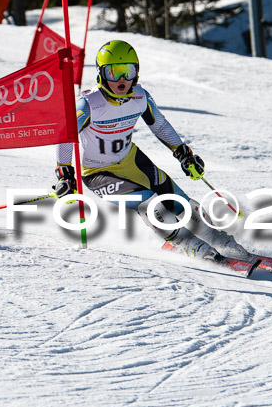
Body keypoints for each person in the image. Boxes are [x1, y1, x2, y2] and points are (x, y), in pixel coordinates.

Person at [53, 40, 258, 266]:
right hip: (98, 173)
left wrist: (182, 153)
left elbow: (159, 125)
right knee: (149, 202)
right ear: (101, 74)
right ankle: (188, 244)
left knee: (180, 202)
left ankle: (222, 241)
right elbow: (65, 136)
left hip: (131, 160)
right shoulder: (89, 104)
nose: (122, 80)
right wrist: (64, 173)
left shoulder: (140, 96)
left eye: (128, 71)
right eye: (114, 72)